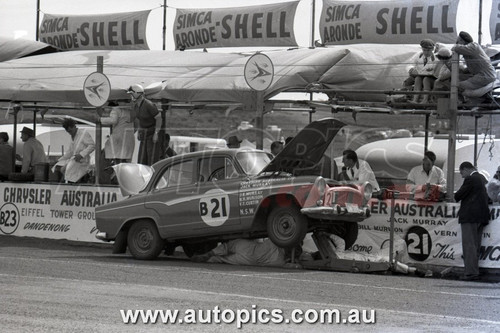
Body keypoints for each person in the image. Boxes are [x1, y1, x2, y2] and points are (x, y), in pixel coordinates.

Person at [454, 161, 490, 281]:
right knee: (475, 245)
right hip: (481, 216)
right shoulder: (481, 178)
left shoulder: (470, 179)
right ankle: (474, 271)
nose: (462, 175)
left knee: (469, 245)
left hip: (470, 216)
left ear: (466, 169)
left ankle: (471, 273)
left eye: (461, 172)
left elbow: (458, 195)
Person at [452, 31, 497, 97]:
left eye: (458, 41)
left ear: (462, 40)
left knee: (457, 85)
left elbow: (456, 48)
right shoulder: (470, 50)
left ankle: (460, 104)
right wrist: (464, 70)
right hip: (484, 75)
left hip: (485, 76)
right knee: (460, 80)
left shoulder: (473, 46)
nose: (457, 43)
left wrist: (455, 47)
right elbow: (475, 66)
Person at [127, 84, 162, 166]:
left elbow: (159, 118)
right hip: (144, 135)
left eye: (131, 94)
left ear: (137, 93)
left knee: (152, 160)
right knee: (142, 160)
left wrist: (156, 133)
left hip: (152, 134)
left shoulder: (148, 104)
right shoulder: (136, 106)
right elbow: (137, 120)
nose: (130, 96)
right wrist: (139, 131)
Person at [191, 238, 286, 267]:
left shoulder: (279, 258)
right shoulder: (280, 261)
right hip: (249, 259)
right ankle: (209, 256)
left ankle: (209, 255)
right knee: (223, 259)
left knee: (225, 254)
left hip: (249, 253)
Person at [54, 118, 95, 183]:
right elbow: (70, 152)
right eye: (68, 132)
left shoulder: (83, 134)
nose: (70, 133)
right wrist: (59, 160)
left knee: (67, 172)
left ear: (74, 126)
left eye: (71, 131)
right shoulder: (72, 137)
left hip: (83, 163)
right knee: (62, 170)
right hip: (75, 163)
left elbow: (92, 146)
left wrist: (81, 155)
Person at [407, 39, 437, 104]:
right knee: (417, 78)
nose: (426, 52)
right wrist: (411, 69)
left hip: (431, 78)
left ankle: (425, 100)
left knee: (426, 79)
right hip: (420, 76)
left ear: (432, 49)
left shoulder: (436, 58)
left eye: (428, 50)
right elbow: (410, 63)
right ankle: (415, 100)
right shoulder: (418, 55)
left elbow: (436, 71)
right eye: (424, 50)